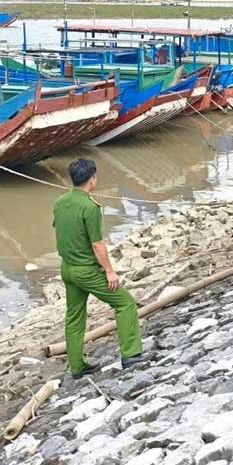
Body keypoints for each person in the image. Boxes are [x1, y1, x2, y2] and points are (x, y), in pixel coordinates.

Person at [53, 157, 147, 378]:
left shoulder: (60, 202)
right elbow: (97, 244)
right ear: (92, 179)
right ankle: (131, 354)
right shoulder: (90, 207)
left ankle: (77, 367)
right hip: (86, 270)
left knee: (74, 317)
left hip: (67, 268)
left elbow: (61, 229)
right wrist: (109, 271)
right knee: (125, 303)